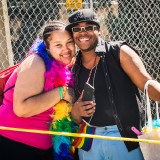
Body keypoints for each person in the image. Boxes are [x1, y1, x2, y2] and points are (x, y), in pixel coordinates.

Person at [65, 9, 160, 160]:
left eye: (89, 27)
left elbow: (146, 83)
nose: (82, 33)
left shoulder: (119, 51)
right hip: (89, 139)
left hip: (123, 136)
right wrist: (75, 112)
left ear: (98, 30)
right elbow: (70, 115)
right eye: (77, 29)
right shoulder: (72, 66)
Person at [0, 20, 76, 160]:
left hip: (43, 148)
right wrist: (62, 92)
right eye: (58, 45)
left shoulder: (64, 64)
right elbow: (21, 109)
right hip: (15, 144)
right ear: (47, 47)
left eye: (69, 42)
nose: (66, 49)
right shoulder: (36, 63)